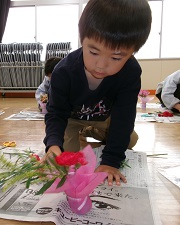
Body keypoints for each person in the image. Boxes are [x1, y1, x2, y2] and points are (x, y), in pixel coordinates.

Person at [43, 0, 152, 186]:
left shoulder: (131, 72)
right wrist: (53, 145)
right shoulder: (64, 71)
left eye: (116, 57)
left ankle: (89, 131)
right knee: (66, 155)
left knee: (130, 140)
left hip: (104, 119)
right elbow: (56, 114)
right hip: (72, 119)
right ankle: (80, 131)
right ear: (82, 39)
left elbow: (124, 117)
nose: (101, 65)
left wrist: (110, 162)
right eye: (93, 52)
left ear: (133, 52)